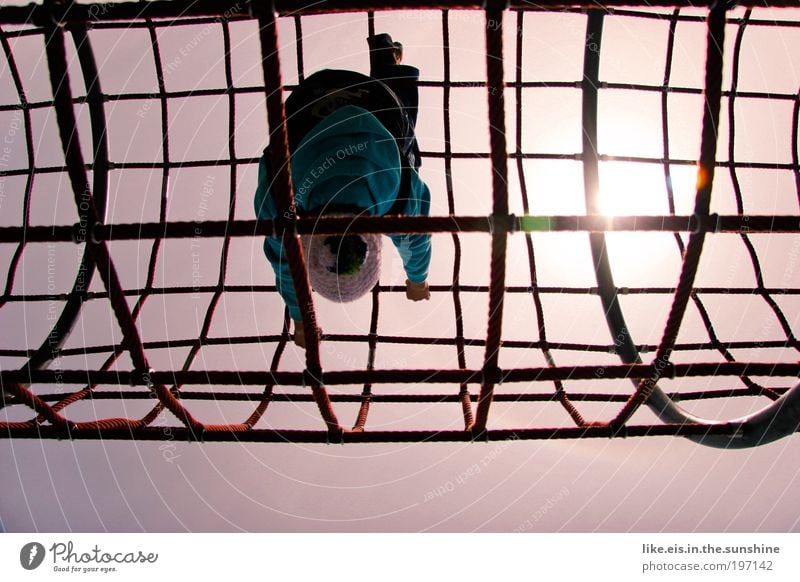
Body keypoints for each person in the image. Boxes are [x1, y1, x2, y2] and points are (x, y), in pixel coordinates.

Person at [254, 33, 432, 348]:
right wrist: (300, 317)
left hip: (378, 99)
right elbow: (284, 264)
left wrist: (417, 281)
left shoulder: (398, 203)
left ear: (376, 241)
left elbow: (417, 243)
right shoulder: (285, 202)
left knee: (403, 147)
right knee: (397, 146)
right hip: (310, 100)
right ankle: (385, 64)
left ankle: (387, 63)